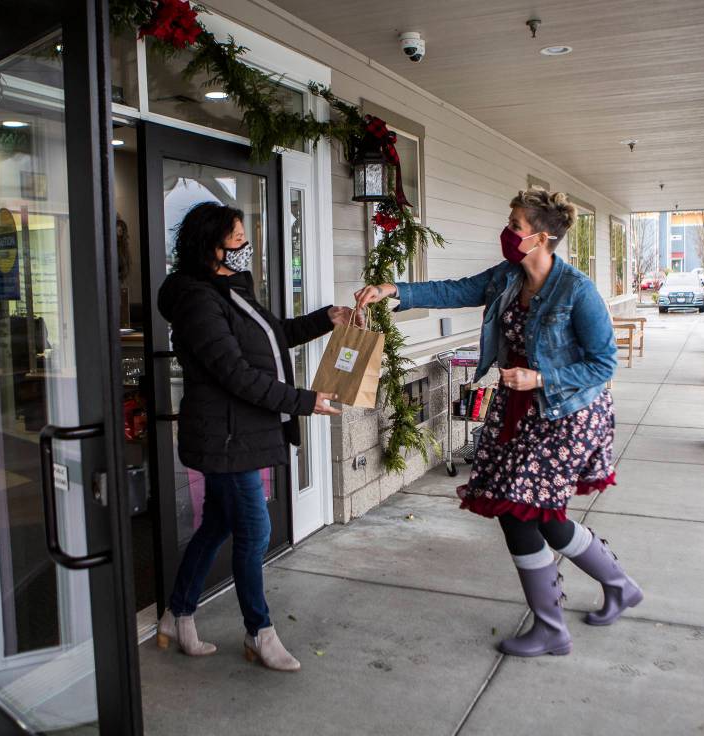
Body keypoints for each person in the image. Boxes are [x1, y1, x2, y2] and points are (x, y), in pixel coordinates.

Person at [354, 189, 643, 657]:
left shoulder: (576, 290)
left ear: (541, 238)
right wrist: (394, 290)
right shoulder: (508, 278)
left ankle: (555, 624)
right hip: (517, 409)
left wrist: (540, 377)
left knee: (522, 512)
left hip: (565, 414)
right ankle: (616, 586)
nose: (506, 232)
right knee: (538, 517)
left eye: (515, 225)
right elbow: (455, 289)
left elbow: (603, 363)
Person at [156, 202, 360, 671]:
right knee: (255, 530)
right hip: (225, 437)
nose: (246, 246)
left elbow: (272, 335)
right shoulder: (197, 300)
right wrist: (304, 401)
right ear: (212, 247)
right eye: (237, 240)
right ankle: (259, 632)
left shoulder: (233, 288)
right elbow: (236, 372)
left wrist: (326, 318)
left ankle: (177, 616)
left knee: (218, 525)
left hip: (241, 432)